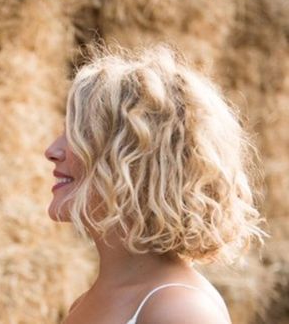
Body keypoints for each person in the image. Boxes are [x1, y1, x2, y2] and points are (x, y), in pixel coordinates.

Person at [45, 46, 265, 324]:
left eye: (80, 135)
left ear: (137, 161)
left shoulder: (181, 310)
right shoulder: (89, 300)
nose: (52, 150)